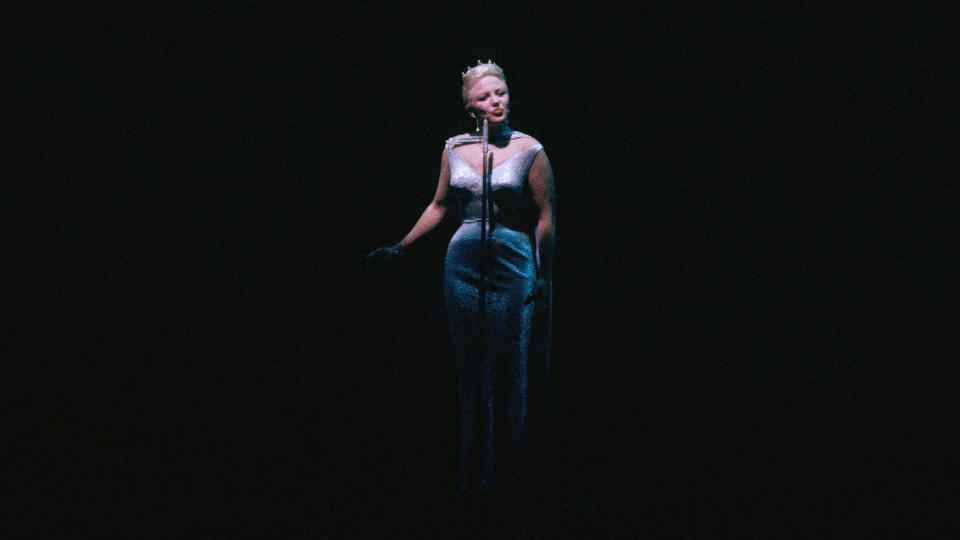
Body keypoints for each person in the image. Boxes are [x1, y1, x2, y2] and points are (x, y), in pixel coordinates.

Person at [365, 61, 555, 496]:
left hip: (513, 262)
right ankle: (475, 478)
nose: (497, 102)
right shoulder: (455, 148)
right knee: (473, 369)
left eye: (501, 93)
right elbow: (439, 205)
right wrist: (401, 246)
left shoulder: (530, 149)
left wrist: (544, 273)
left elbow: (546, 217)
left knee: (513, 366)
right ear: (472, 109)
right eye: (486, 98)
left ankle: (515, 476)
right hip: (464, 264)